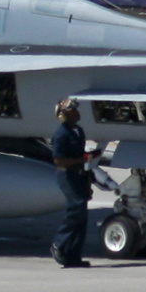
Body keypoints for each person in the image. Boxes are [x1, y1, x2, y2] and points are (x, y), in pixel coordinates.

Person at [50, 98, 92, 267]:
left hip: (79, 175)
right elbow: (59, 161)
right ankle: (59, 244)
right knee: (77, 208)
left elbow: (80, 157)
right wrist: (80, 159)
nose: (77, 113)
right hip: (67, 175)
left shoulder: (78, 131)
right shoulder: (61, 135)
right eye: (73, 111)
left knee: (82, 216)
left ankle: (72, 256)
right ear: (64, 115)